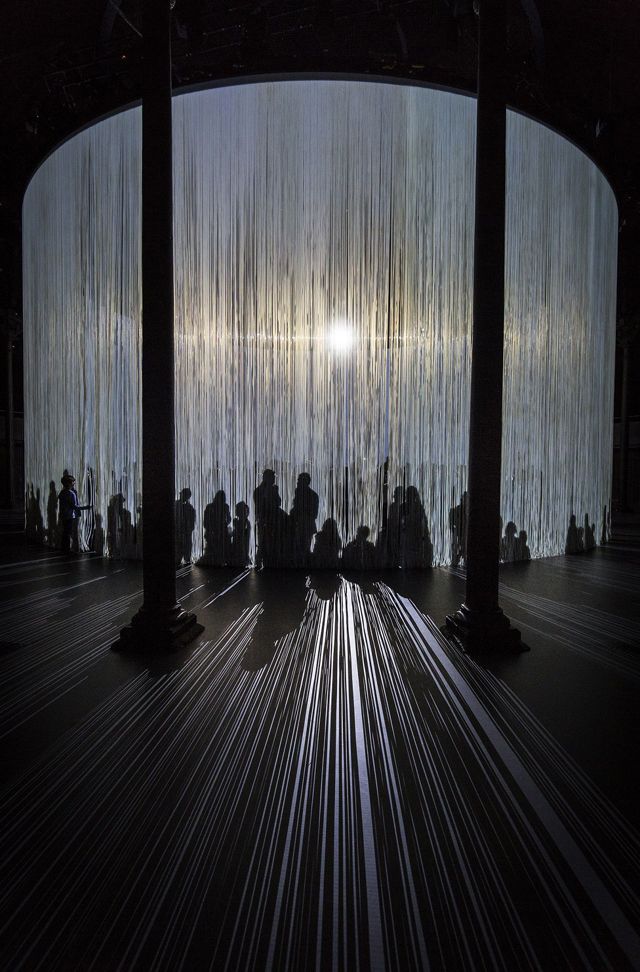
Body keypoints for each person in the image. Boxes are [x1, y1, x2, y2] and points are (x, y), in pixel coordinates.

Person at [290, 472, 319, 566]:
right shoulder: (299, 493)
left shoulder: (312, 495)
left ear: (305, 482)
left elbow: (314, 514)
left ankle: (302, 566)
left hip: (305, 525)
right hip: (302, 525)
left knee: (303, 547)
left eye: (299, 480)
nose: (297, 482)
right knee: (301, 547)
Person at [58, 472, 90, 554]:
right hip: (70, 516)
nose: (74, 483)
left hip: (63, 515)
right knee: (69, 533)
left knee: (65, 532)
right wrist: (87, 507)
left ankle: (64, 549)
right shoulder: (71, 493)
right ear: (69, 483)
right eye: (73, 482)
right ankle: (68, 550)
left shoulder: (62, 493)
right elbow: (75, 507)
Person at [175, 487, 196, 565]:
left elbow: (192, 521)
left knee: (185, 549)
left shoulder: (190, 508)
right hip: (179, 532)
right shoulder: (176, 505)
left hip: (185, 532)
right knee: (179, 548)